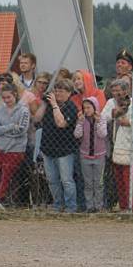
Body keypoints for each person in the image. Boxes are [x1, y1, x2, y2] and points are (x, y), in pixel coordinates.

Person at [101, 78, 133, 211]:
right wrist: (113, 113)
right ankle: (123, 206)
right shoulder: (111, 103)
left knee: (129, 179)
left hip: (130, 146)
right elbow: (103, 117)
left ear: (125, 91)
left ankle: (132, 207)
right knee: (119, 179)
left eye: (118, 90)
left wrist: (129, 122)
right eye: (113, 90)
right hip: (115, 145)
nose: (116, 93)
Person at [35, 78, 79, 212]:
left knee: (66, 180)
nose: (58, 93)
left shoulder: (71, 107)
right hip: (48, 148)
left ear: (69, 93)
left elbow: (61, 123)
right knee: (52, 180)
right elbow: (36, 118)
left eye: (62, 91)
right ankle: (57, 204)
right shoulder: (48, 104)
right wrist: (44, 103)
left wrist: (54, 105)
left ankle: (71, 206)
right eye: (56, 90)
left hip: (65, 150)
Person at [0, 83, 30, 204]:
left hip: (16, 149)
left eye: (8, 97)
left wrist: (3, 130)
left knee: (6, 176)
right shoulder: (0, 110)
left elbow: (21, 130)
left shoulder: (24, 110)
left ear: (15, 95)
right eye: (4, 98)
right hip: (0, 147)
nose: (6, 100)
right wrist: (10, 127)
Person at [74, 96, 108, 212]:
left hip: (99, 155)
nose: (86, 110)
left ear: (95, 107)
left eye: (89, 107)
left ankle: (99, 206)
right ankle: (90, 206)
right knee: (88, 183)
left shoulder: (101, 118)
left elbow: (103, 134)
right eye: (84, 108)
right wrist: (79, 123)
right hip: (85, 156)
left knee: (98, 183)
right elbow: (77, 135)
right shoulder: (82, 120)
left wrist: (98, 122)